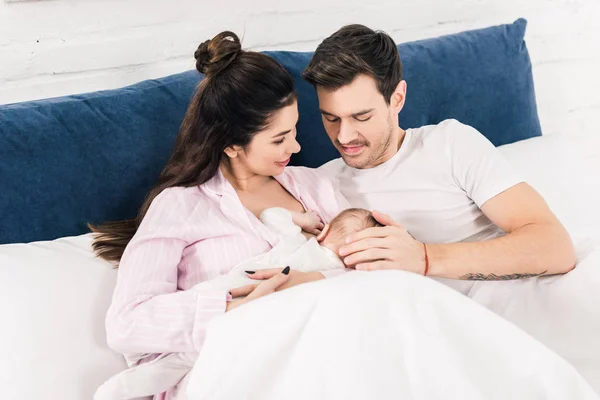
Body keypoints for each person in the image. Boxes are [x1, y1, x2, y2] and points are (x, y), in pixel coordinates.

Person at [89, 31, 349, 399]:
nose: (296, 146)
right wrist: (234, 306)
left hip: (323, 348)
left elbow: (367, 268)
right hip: (231, 369)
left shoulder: (315, 187)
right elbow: (127, 323)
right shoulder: (179, 205)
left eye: (294, 130)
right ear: (229, 144)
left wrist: (308, 281)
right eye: (278, 139)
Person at [295, 24, 576, 282]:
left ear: (397, 99)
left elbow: (556, 246)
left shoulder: (449, 144)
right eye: (331, 118)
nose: (343, 136)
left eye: (362, 117)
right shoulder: (319, 186)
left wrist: (424, 258)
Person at [94, 207, 378, 400]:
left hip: (226, 294)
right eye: (281, 137)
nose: (295, 146)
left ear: (325, 233)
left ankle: (119, 390)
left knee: (183, 358)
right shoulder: (351, 274)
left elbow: (272, 215)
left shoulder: (300, 242)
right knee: (185, 361)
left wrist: (301, 218)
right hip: (246, 318)